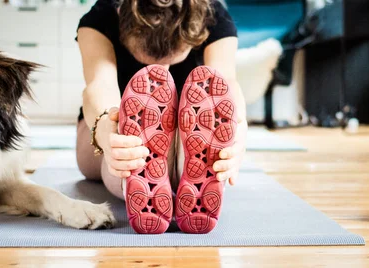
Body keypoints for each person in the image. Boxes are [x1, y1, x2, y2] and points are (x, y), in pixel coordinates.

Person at [74, 0, 247, 234]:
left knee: (195, 141)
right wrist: (106, 132)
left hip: (184, 128)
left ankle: (176, 163)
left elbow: (226, 83)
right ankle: (149, 171)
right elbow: (99, 85)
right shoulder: (101, 15)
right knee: (123, 149)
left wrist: (238, 137)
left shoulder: (214, 14)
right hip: (108, 123)